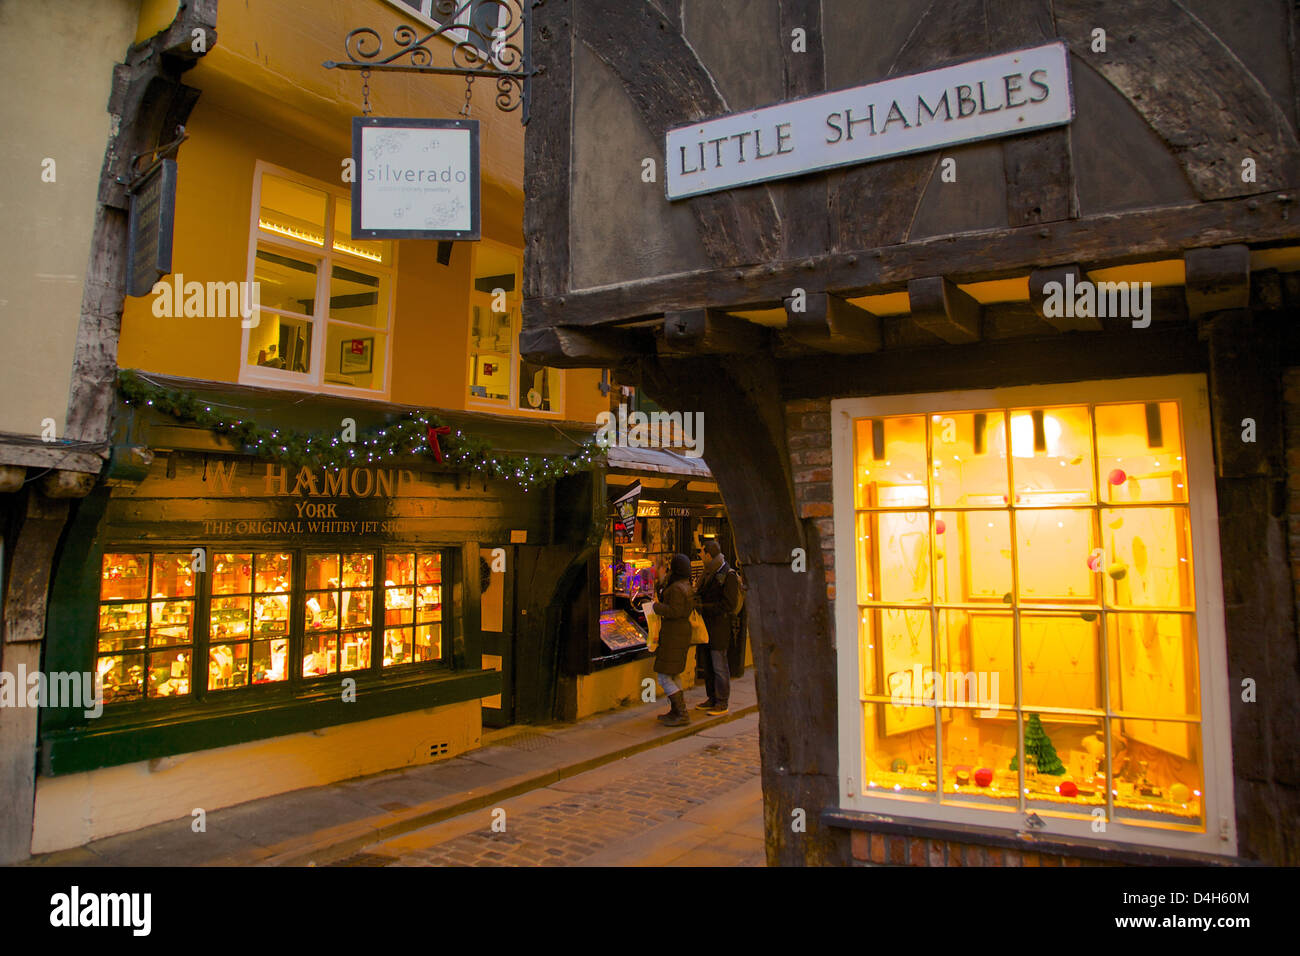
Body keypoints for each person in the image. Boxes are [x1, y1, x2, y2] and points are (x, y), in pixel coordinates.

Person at [649, 553, 697, 727]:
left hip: (673, 635)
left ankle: (682, 712)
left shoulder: (677, 588)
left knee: (663, 676)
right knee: (674, 673)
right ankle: (676, 711)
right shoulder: (686, 585)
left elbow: (674, 611)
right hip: (680, 633)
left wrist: (655, 606)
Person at [695, 539, 740, 715]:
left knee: (719, 665)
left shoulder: (727, 574)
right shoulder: (709, 572)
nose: (699, 555)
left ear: (708, 554)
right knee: (708, 665)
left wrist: (704, 608)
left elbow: (729, 604)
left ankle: (722, 702)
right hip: (707, 627)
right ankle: (712, 698)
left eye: (701, 552)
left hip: (719, 628)